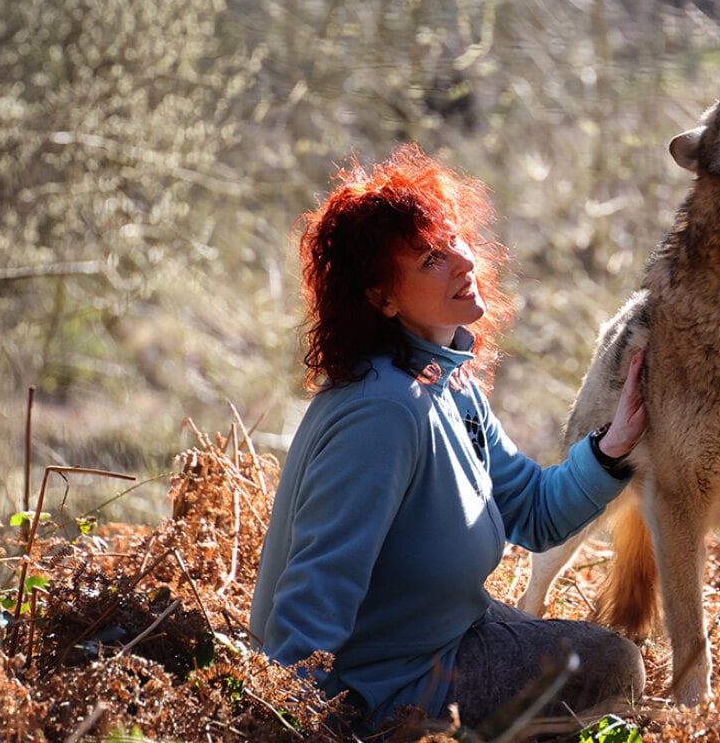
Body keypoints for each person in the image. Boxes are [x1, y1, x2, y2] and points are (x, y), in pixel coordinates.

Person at [248, 143, 647, 733]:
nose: (463, 261)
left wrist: (611, 446)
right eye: (431, 258)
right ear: (380, 298)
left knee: (598, 655)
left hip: (440, 640)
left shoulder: (444, 384)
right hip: (382, 690)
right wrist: (289, 723)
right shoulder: (382, 411)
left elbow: (534, 511)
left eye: (455, 239)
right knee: (611, 666)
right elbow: (314, 590)